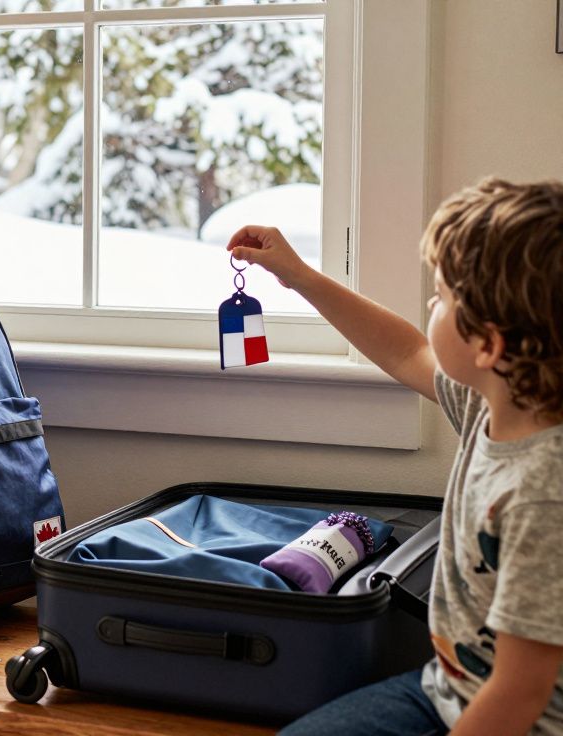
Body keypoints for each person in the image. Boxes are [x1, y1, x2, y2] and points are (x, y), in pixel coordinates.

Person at [226, 178, 563, 736]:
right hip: (447, 688)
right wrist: (298, 276)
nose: (431, 304)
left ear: (489, 345)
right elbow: (406, 348)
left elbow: (520, 690)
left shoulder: (542, 494)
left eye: (442, 297)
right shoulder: (490, 402)